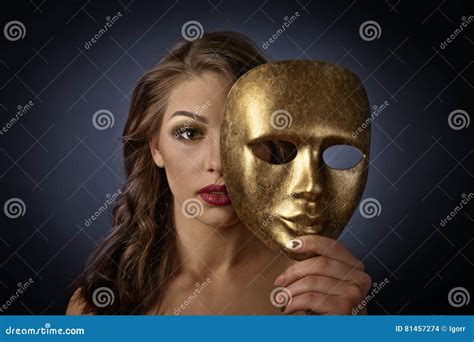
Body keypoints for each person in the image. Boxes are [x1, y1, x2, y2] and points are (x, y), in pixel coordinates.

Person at [66, 31, 371, 315]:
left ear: (274, 146)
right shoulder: (100, 303)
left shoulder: (322, 292)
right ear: (156, 148)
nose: (218, 163)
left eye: (242, 134)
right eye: (188, 133)